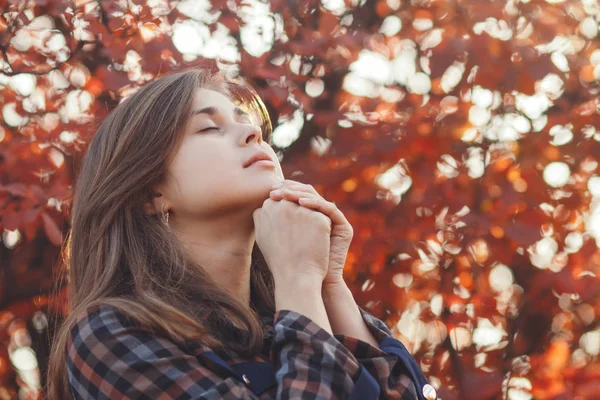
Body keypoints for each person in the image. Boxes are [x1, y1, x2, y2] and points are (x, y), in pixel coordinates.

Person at [45, 68, 435, 399]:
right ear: (151, 193)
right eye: (210, 127)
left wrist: (328, 284)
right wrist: (299, 280)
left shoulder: (289, 313)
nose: (252, 133)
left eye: (244, 120)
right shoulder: (112, 334)